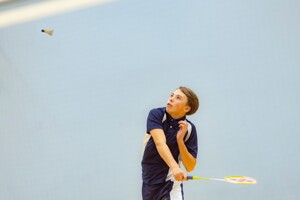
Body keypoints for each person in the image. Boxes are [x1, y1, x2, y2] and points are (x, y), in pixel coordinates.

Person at [142, 86, 200, 200]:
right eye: (171, 95)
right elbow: (160, 143)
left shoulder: (189, 129)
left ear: (187, 108)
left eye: (178, 98)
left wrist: (180, 141)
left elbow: (190, 166)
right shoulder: (156, 115)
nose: (171, 99)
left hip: (170, 182)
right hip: (149, 180)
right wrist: (175, 168)